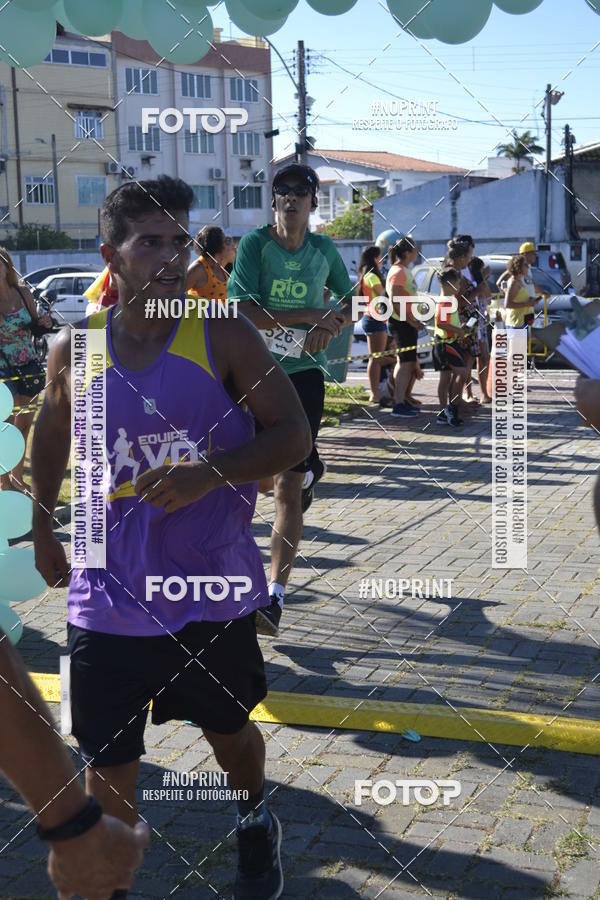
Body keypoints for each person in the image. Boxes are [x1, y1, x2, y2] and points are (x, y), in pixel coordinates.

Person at [31, 175, 312, 900]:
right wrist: (42, 522)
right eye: (148, 241)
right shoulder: (77, 346)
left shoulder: (223, 335)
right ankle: (112, 880)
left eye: (179, 241)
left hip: (206, 588)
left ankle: (253, 817)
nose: (169, 256)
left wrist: (209, 474)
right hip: (105, 589)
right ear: (111, 255)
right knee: (108, 758)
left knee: (230, 737)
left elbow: (293, 435)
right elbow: (52, 435)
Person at [227, 163, 353, 638]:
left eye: (302, 192)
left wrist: (331, 323)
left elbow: (350, 297)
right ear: (274, 200)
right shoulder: (257, 246)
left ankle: (273, 599)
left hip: (302, 376)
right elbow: (244, 313)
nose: (292, 200)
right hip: (253, 374)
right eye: (283, 192)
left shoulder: (323, 248)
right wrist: (310, 314)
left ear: (313, 202)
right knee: (249, 480)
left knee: (286, 486)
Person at [0, 628, 149, 899]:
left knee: (232, 742)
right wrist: (71, 825)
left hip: (208, 615)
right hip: (101, 621)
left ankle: (252, 819)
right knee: (106, 770)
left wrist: (70, 824)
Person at [0, 246, 52, 492]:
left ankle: (18, 479)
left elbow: (36, 328)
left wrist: (45, 323)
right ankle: (4, 482)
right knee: (6, 428)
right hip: (2, 371)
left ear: (7, 267)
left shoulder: (22, 293)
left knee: (24, 426)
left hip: (28, 366)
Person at [385, 237, 424, 418]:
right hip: (400, 323)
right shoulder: (398, 271)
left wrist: (414, 319)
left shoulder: (404, 270)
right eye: (415, 249)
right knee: (405, 363)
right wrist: (410, 320)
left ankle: (402, 400)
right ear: (407, 253)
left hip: (406, 322)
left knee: (408, 363)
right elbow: (395, 300)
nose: (417, 252)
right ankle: (398, 403)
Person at [432, 267, 469, 427]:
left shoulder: (448, 299)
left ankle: (444, 411)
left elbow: (447, 321)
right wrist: (459, 330)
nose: (460, 285)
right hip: (445, 343)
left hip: (447, 341)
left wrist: (459, 327)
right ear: (449, 284)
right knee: (461, 372)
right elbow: (441, 322)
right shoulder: (446, 300)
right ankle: (451, 407)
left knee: (446, 377)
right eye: (458, 282)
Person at [356, 245, 390, 403]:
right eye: (380, 257)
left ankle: (376, 392)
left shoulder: (368, 274)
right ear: (374, 258)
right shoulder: (371, 276)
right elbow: (383, 294)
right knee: (375, 359)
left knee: (376, 358)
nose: (382, 260)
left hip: (375, 317)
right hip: (374, 318)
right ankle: (375, 393)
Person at [187, 225, 236, 301]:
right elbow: (173, 295)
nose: (232, 247)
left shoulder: (222, 269)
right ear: (217, 246)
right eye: (226, 242)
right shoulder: (198, 269)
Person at [469, 256, 493, 403]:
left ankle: (484, 392)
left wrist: (483, 279)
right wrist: (482, 278)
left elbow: (488, 298)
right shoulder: (470, 284)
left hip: (482, 325)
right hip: (472, 325)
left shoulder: (481, 284)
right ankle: (469, 392)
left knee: (485, 358)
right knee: (473, 359)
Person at [504, 253, 536, 337]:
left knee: (521, 350)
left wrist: (529, 302)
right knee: (517, 350)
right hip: (516, 324)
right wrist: (527, 304)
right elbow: (507, 304)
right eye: (525, 265)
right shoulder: (514, 282)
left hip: (521, 322)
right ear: (519, 267)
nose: (528, 267)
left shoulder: (519, 281)